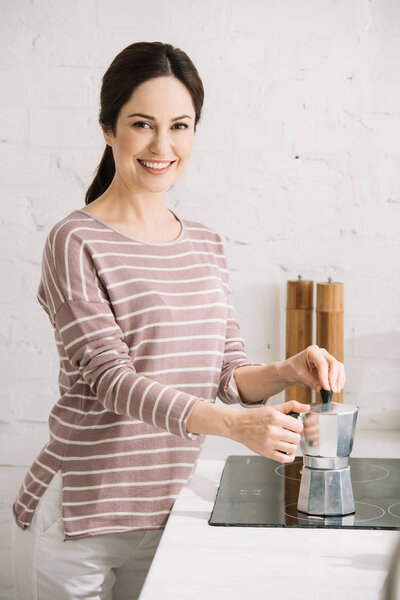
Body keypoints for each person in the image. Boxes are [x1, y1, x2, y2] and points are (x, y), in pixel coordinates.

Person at [11, 41, 345, 600]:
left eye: (180, 125)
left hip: (170, 515)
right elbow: (111, 381)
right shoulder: (75, 240)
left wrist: (289, 369)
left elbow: (225, 374)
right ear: (108, 129)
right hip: (80, 520)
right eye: (142, 124)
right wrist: (236, 427)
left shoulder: (207, 245)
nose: (162, 145)